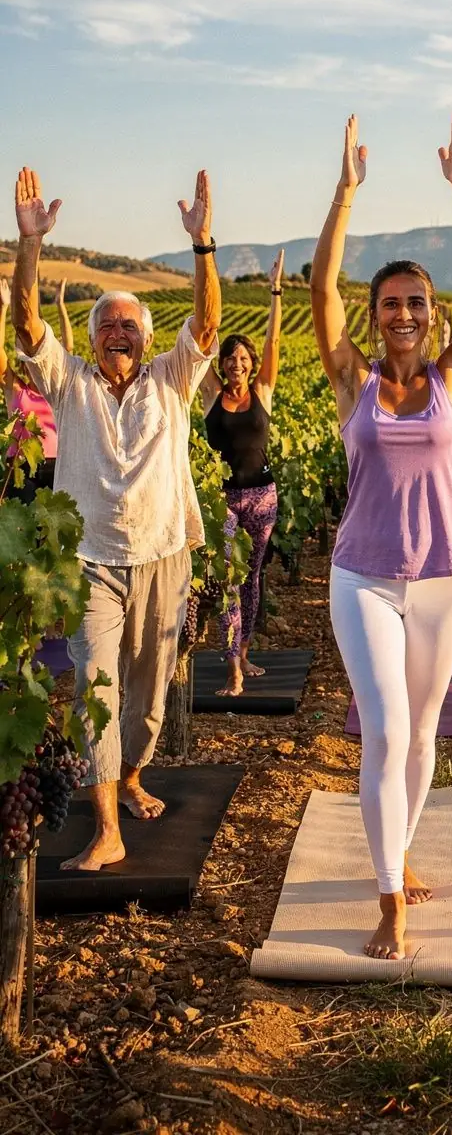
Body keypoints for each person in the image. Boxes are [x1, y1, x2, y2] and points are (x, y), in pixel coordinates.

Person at [311, 112, 452, 961]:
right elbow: (321, 291)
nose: (404, 313)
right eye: (390, 303)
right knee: (383, 732)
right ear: (375, 315)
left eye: (416, 301)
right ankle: (390, 900)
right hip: (364, 577)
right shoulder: (352, 378)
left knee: (423, 736)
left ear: (433, 313)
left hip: (445, 580)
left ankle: (398, 849)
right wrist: (345, 193)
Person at [12, 165, 221, 872]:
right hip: (91, 563)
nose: (118, 333)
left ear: (148, 337)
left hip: (164, 554)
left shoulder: (172, 379)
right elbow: (27, 324)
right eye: (106, 325)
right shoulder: (68, 382)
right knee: (94, 690)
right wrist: (30, 244)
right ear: (92, 338)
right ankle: (107, 827)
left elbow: (208, 324)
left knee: (149, 699)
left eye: (130, 324)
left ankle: (132, 775)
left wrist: (202, 246)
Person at [201, 250, 284, 696]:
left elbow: (273, 341)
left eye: (243, 358)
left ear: (251, 363)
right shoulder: (211, 393)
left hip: (262, 497)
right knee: (229, 580)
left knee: (251, 580)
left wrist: (275, 292)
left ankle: (245, 652)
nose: (237, 364)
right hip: (224, 500)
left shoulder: (263, 390)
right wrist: (206, 263)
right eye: (230, 358)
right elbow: (204, 333)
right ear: (221, 364)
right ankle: (233, 667)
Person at [0, 276, 73, 499]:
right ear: (24, 364)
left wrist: (61, 305)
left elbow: (68, 348)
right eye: (30, 361)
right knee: (23, 517)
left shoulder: (58, 390)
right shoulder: (16, 389)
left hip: (57, 464)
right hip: (20, 466)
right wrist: (3, 309)